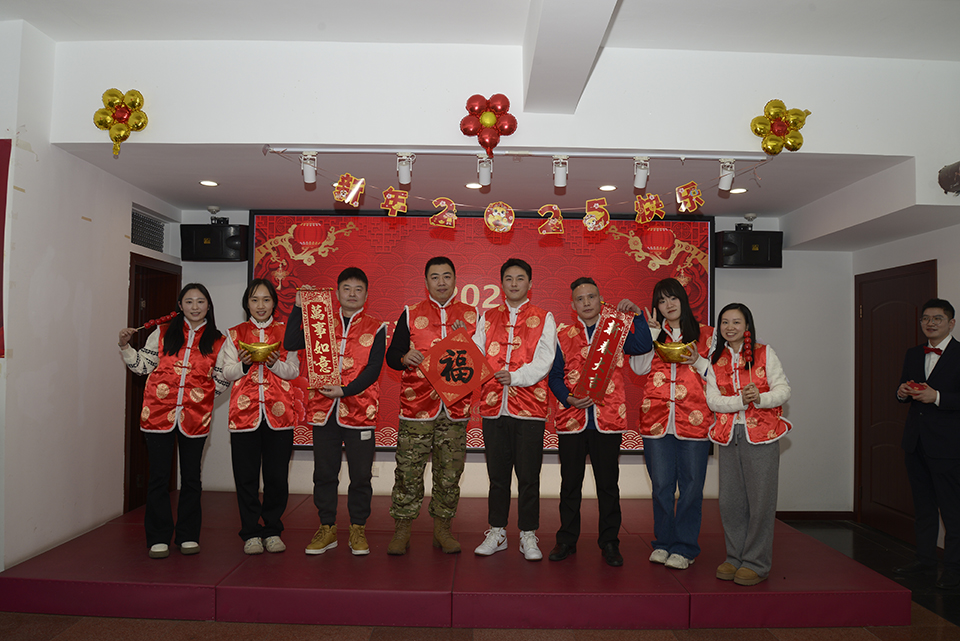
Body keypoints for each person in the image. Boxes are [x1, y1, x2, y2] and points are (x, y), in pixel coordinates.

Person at [547, 277, 652, 567]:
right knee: (570, 485)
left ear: (600, 299)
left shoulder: (614, 330)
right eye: (580, 299)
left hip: (607, 420)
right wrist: (568, 398)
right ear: (572, 305)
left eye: (591, 297)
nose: (586, 303)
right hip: (572, 420)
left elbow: (643, 345)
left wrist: (637, 317)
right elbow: (554, 376)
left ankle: (609, 542)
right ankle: (566, 540)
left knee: (608, 486)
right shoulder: (562, 334)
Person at [118, 283, 229, 559]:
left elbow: (222, 379)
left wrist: (201, 395)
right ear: (180, 305)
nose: (195, 307)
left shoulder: (218, 340)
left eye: (200, 301)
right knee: (158, 477)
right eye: (189, 301)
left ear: (208, 305)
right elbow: (142, 366)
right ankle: (158, 537)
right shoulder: (163, 332)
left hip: (195, 417)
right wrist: (125, 346)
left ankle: (188, 535)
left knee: (191, 478)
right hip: (157, 414)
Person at [284, 267, 386, 556]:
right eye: (346, 288)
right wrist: (298, 308)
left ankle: (358, 528)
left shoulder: (377, 327)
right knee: (324, 473)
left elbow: (374, 370)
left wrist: (345, 390)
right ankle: (327, 527)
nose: (352, 294)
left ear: (366, 294)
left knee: (361, 475)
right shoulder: (319, 322)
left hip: (360, 411)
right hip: (323, 410)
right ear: (337, 292)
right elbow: (290, 342)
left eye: (358, 289)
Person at [385, 257, 477, 555]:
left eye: (446, 276)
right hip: (416, 407)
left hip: (455, 409)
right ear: (426, 282)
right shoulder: (411, 313)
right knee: (408, 472)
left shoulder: (473, 315)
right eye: (435, 277)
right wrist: (404, 357)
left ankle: (443, 529)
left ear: (455, 280)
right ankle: (402, 530)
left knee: (449, 473)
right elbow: (392, 355)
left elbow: (484, 360)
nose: (441, 282)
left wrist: (469, 341)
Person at [472, 258, 557, 561]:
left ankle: (528, 534)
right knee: (497, 475)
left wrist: (516, 377)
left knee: (528, 476)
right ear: (501, 283)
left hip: (529, 407)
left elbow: (545, 359)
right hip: (493, 406)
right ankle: (496, 531)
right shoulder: (488, 317)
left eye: (520, 278)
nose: (514, 284)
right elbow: (476, 354)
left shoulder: (544, 317)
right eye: (508, 278)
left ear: (530, 284)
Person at [627, 278, 715, 570]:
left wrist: (698, 360)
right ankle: (663, 543)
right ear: (656, 306)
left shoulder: (707, 334)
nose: (668, 305)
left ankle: (685, 547)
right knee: (661, 487)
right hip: (657, 421)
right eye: (662, 301)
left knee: (691, 488)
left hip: (695, 420)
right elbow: (638, 367)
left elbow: (718, 376)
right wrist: (651, 333)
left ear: (683, 300)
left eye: (673, 298)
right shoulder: (653, 334)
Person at [705, 303, 791, 586]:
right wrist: (740, 401)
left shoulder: (765, 353)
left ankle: (756, 562)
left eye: (736, 322)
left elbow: (784, 390)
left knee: (760, 501)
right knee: (730, 501)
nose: (730, 327)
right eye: (725, 322)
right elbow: (712, 401)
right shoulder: (714, 359)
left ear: (747, 326)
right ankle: (734, 557)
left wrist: (761, 398)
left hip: (762, 435)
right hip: (729, 435)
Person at [221, 279, 302, 555]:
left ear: (274, 303)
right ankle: (251, 533)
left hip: (279, 414)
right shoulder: (235, 333)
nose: (260, 305)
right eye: (255, 299)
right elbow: (226, 372)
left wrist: (275, 363)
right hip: (245, 415)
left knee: (276, 477)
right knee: (246, 478)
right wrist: (244, 364)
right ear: (247, 303)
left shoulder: (286, 333)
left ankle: (273, 530)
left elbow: (293, 370)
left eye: (266, 299)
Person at [895, 298, 960, 590]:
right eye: (925, 319)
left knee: (952, 510)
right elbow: (903, 388)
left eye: (937, 318)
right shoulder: (913, 353)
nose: (930, 323)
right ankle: (924, 560)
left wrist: (937, 397)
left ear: (951, 323)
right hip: (915, 442)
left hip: (948, 446)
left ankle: (955, 569)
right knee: (923, 507)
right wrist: (901, 392)